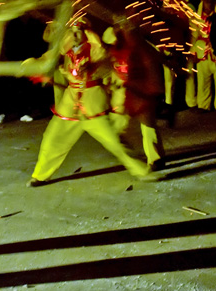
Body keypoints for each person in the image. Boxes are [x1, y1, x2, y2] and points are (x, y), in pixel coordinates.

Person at [27, 19, 155, 186]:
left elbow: (108, 67)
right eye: (71, 31)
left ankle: (141, 171)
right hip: (70, 105)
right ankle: (40, 175)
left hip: (93, 105)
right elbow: (45, 59)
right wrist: (31, 67)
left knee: (114, 141)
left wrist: (94, 68)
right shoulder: (64, 51)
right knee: (52, 139)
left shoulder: (97, 51)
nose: (74, 35)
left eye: (78, 31)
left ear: (86, 33)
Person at [103, 24, 166, 170]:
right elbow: (111, 69)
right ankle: (128, 156)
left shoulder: (140, 48)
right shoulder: (113, 52)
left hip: (140, 92)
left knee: (147, 125)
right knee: (116, 126)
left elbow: (152, 65)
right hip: (122, 93)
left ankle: (156, 159)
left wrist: (154, 90)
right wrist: (111, 82)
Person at [191, 0, 216, 112]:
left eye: (210, 1)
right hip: (202, 53)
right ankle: (203, 105)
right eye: (206, 1)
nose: (208, 4)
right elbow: (193, 36)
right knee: (202, 81)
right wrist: (193, 52)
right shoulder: (196, 18)